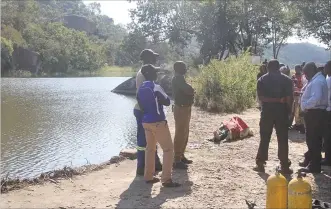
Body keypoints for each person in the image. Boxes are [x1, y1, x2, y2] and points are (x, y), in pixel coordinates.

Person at [137, 64, 180, 187]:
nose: (157, 74)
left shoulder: (141, 88)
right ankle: (166, 179)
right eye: (155, 72)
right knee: (168, 149)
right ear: (151, 74)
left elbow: (140, 104)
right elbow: (167, 101)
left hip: (146, 122)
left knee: (150, 149)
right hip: (158, 121)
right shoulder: (156, 87)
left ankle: (148, 177)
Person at [254, 59, 293, 174]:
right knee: (283, 139)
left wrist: (274, 101)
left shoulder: (262, 79)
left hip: (267, 112)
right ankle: (284, 165)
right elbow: (289, 98)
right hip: (282, 112)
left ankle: (260, 163)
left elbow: (261, 98)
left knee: (265, 137)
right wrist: (289, 111)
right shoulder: (287, 80)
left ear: (268, 67)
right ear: (278, 67)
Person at [134, 49, 162, 176]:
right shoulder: (142, 74)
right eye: (153, 57)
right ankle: (141, 167)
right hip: (142, 110)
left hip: (147, 110)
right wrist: (146, 111)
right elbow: (140, 96)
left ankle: (154, 163)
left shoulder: (148, 71)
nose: (155, 59)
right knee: (142, 141)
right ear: (147, 59)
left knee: (152, 138)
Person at [299, 62, 328, 173]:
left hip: (314, 113)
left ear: (311, 70)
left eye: (305, 73)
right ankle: (313, 163)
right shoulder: (317, 79)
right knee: (314, 140)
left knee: (313, 140)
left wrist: (305, 106)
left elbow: (316, 98)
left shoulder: (317, 81)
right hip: (316, 113)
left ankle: (314, 166)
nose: (305, 75)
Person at [172, 61, 195, 169]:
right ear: (179, 69)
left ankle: (181, 155)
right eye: (184, 67)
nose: (186, 69)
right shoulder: (178, 78)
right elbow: (189, 90)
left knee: (185, 132)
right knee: (180, 133)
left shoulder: (180, 78)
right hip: (181, 108)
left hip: (185, 108)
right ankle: (176, 159)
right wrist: (191, 88)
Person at [290, 65, 306, 133]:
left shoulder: (303, 77)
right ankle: (297, 124)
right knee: (295, 110)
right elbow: (292, 84)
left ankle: (300, 124)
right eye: (296, 69)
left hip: (301, 95)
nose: (296, 70)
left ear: (300, 69)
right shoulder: (293, 76)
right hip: (295, 95)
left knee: (300, 110)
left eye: (298, 68)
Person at [322, 61, 331, 166]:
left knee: (327, 137)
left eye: (326, 67)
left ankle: (327, 159)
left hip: (328, 110)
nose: (324, 70)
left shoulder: (328, 80)